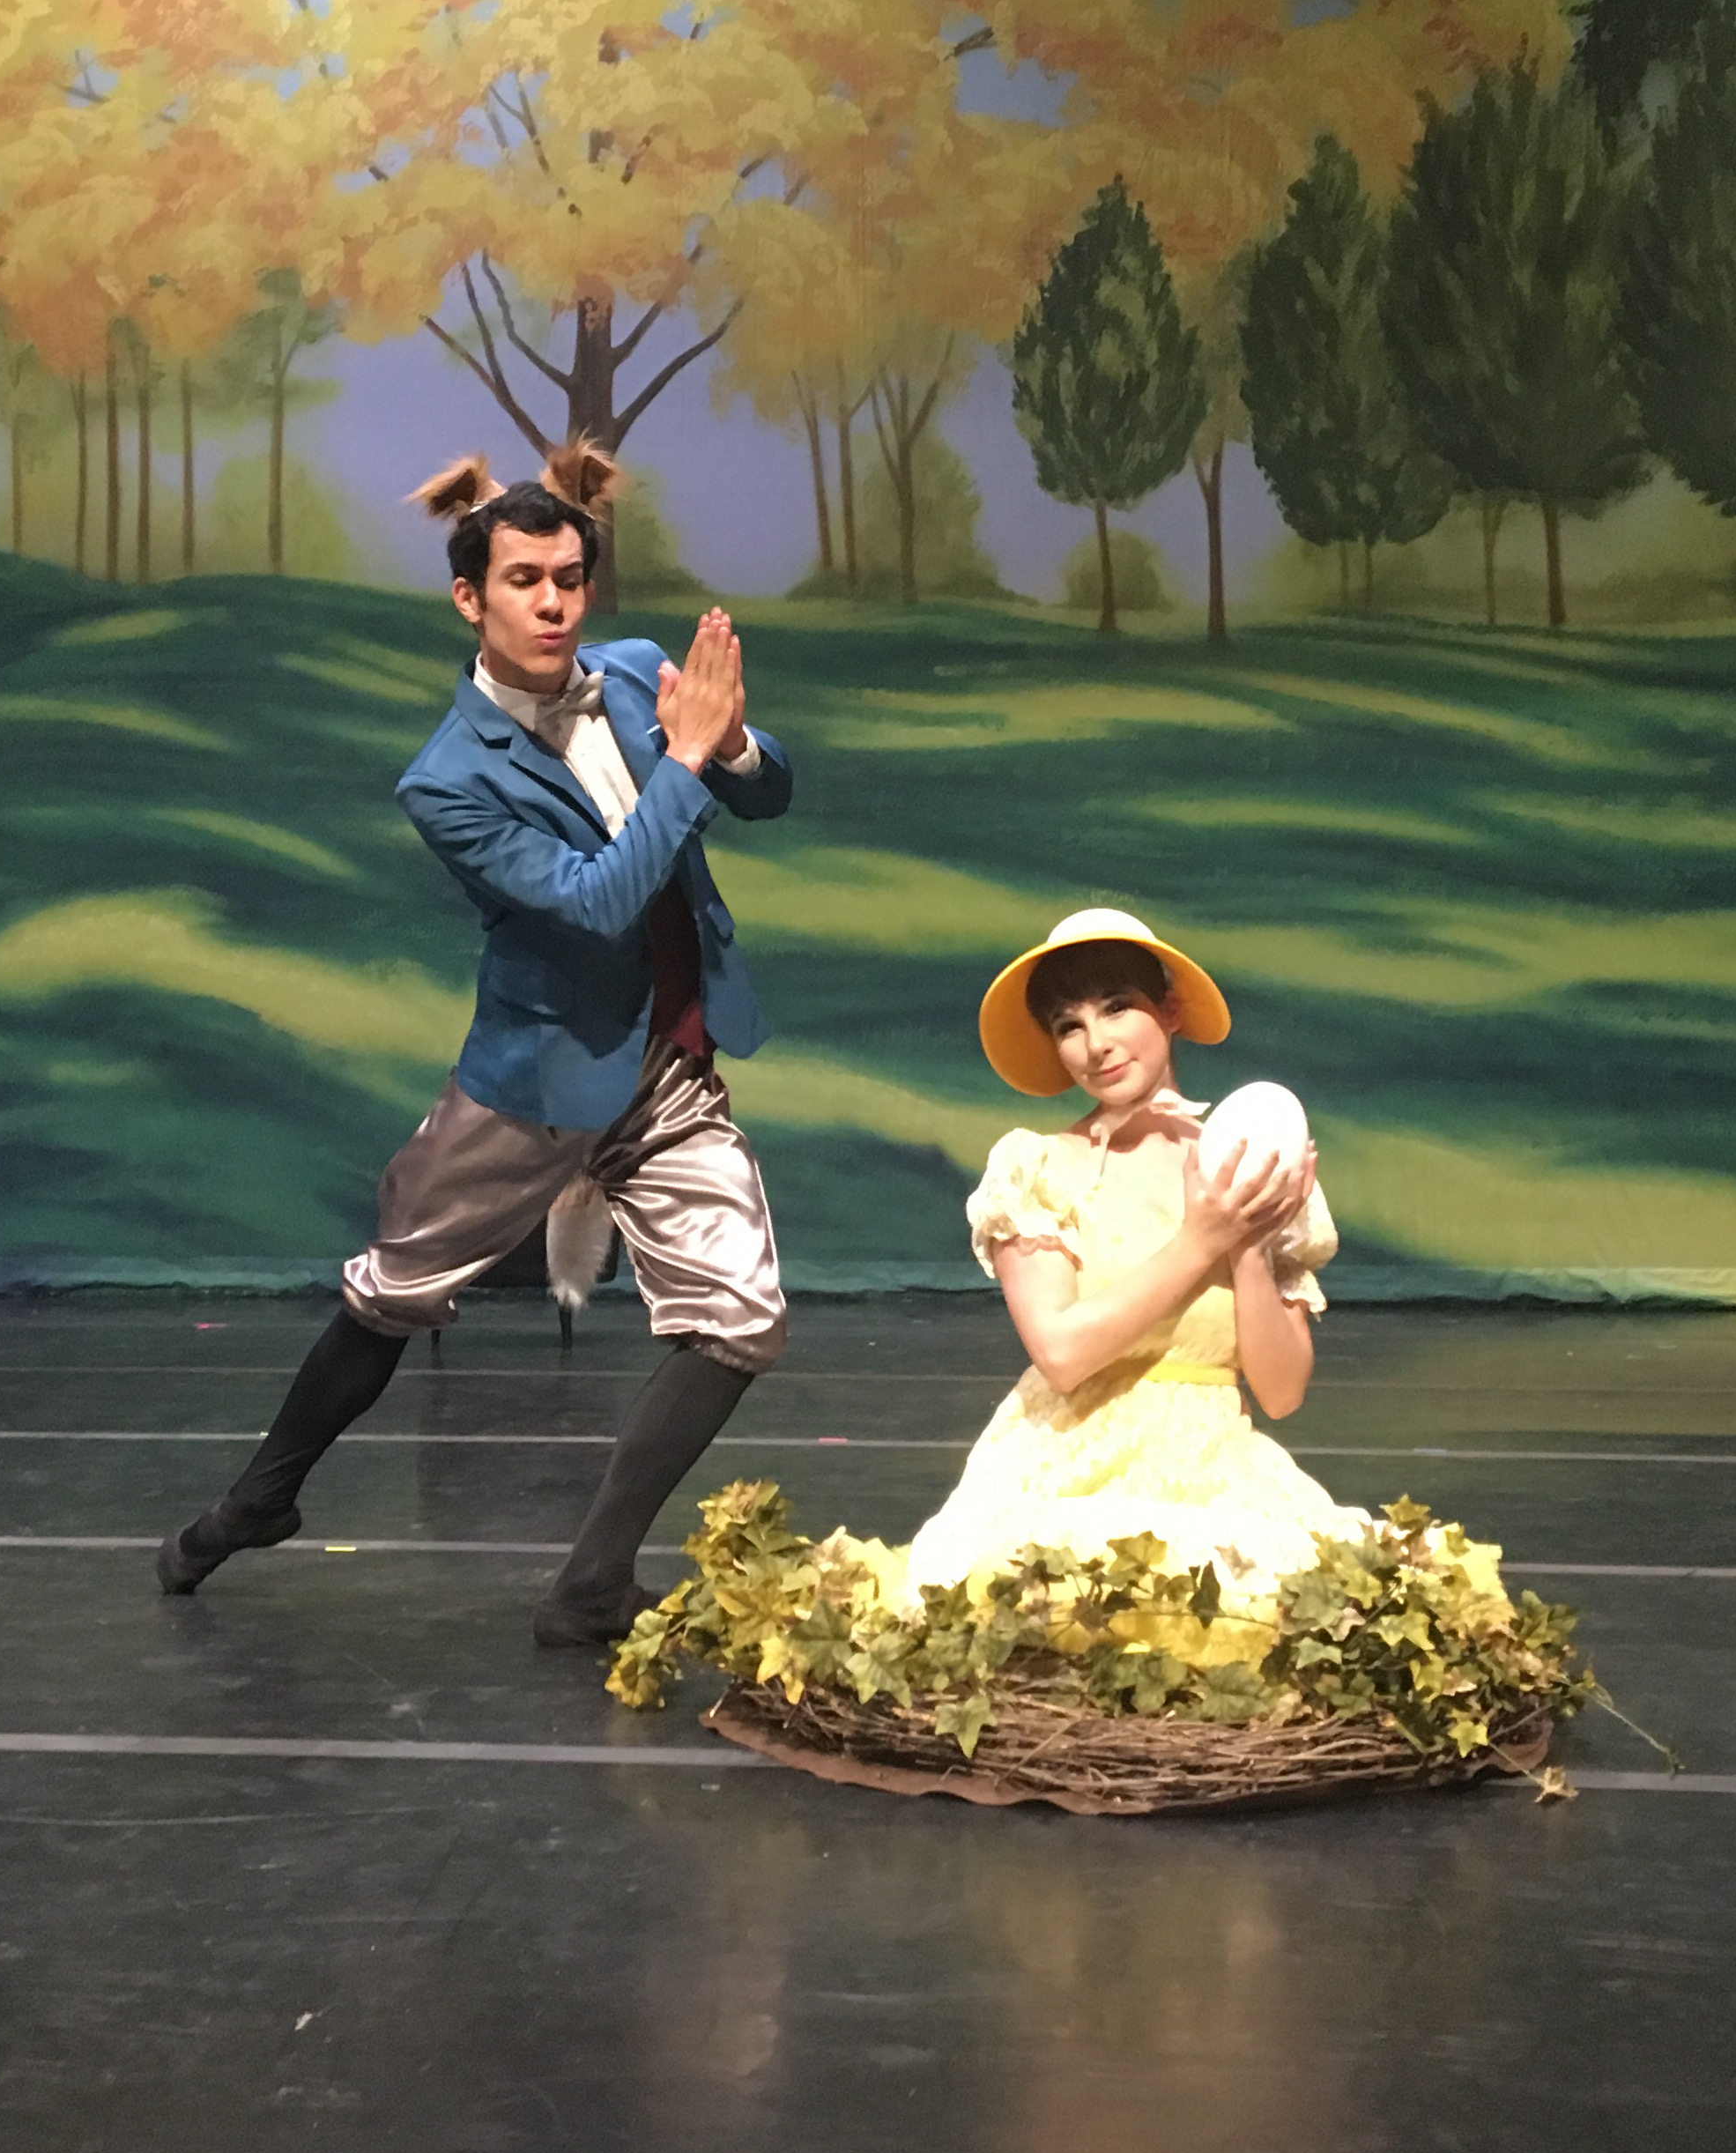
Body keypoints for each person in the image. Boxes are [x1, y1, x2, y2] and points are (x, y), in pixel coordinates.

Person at [155, 440, 795, 1647]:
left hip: (666, 1071)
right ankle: (258, 1500)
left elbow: (764, 790)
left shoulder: (637, 673)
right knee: (391, 1295)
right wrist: (690, 756)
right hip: (535, 1087)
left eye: (570, 578)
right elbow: (599, 902)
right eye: (524, 581)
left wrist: (732, 745)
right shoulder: (445, 779)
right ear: (470, 597)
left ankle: (592, 1583)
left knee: (741, 1321)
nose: (555, 603)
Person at [879, 907, 1357, 1602]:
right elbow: (1062, 1354)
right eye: (1068, 1025)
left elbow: (1281, 1395)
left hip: (1218, 1475)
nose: (1095, 1044)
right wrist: (1200, 1242)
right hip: (1074, 1474)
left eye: (1116, 1007)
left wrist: (1248, 1246)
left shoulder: (1244, 1171)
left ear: (1169, 1011)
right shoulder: (1039, 1170)